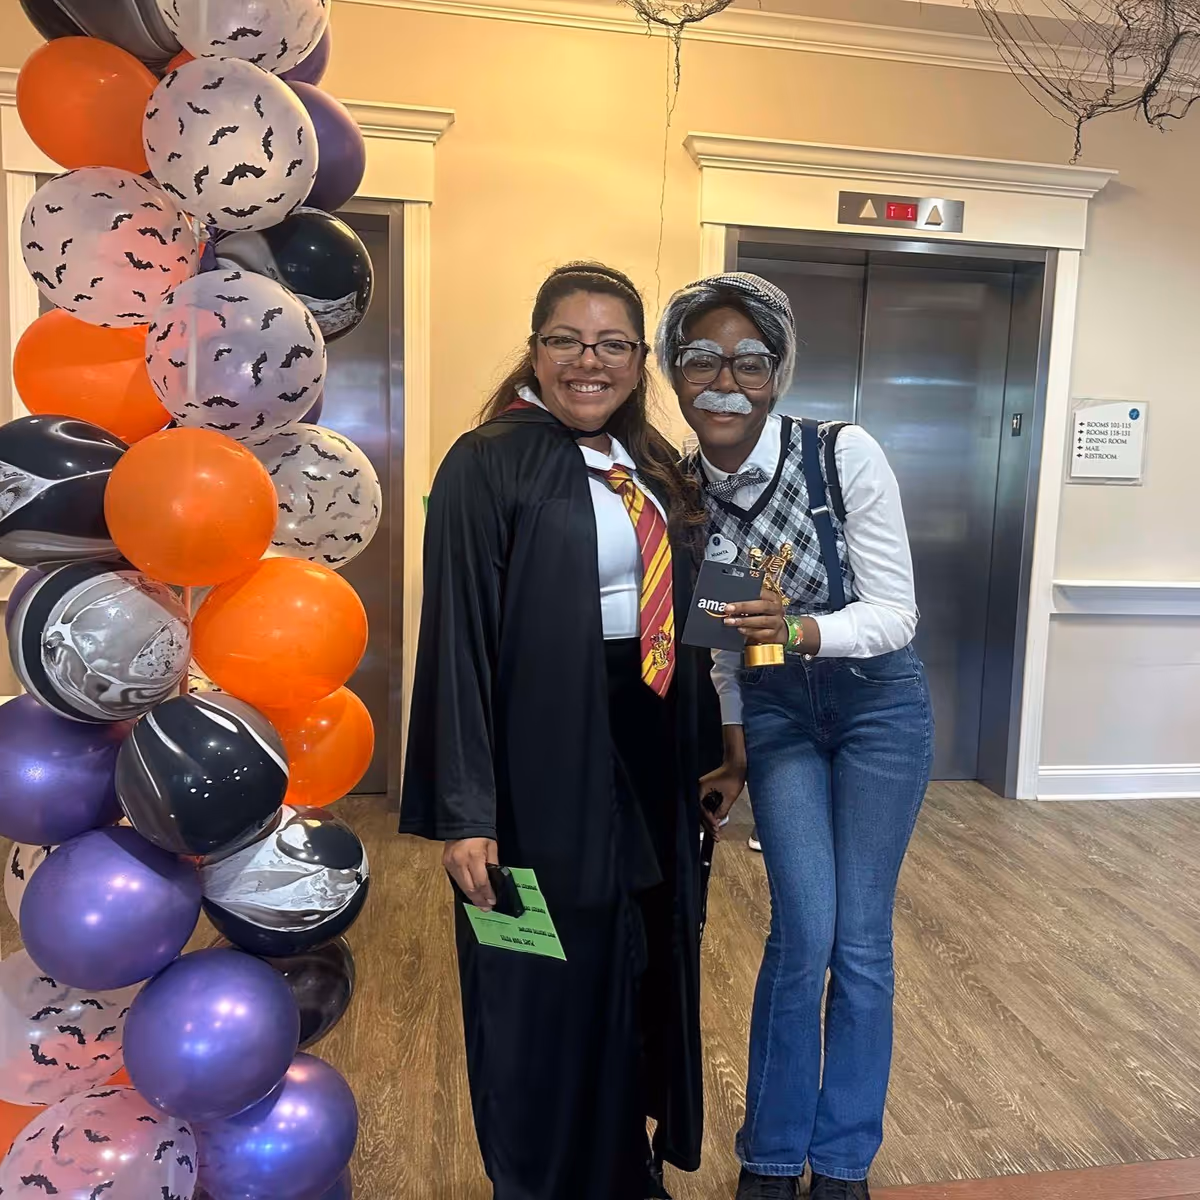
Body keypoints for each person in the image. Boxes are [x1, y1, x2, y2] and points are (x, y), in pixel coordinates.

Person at [401, 263, 722, 1200]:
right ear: (535, 349)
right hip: (537, 750)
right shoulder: (488, 459)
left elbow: (692, 607)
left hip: (649, 737)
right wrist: (466, 809)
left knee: (641, 956)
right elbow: (455, 634)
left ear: (639, 359)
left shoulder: (652, 460)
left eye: (614, 344)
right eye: (567, 342)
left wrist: (716, 750)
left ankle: (626, 1166)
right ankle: (544, 1180)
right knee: (541, 975)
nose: (590, 362)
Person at [657, 273, 934, 1200]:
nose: (723, 378)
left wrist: (804, 630)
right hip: (775, 712)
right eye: (700, 358)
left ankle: (844, 1163)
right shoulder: (683, 489)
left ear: (776, 374)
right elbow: (720, 645)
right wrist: (735, 748)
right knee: (801, 929)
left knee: (859, 941)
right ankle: (773, 1159)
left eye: (747, 359)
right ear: (675, 375)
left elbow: (896, 614)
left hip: (876, 709)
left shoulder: (841, 454)